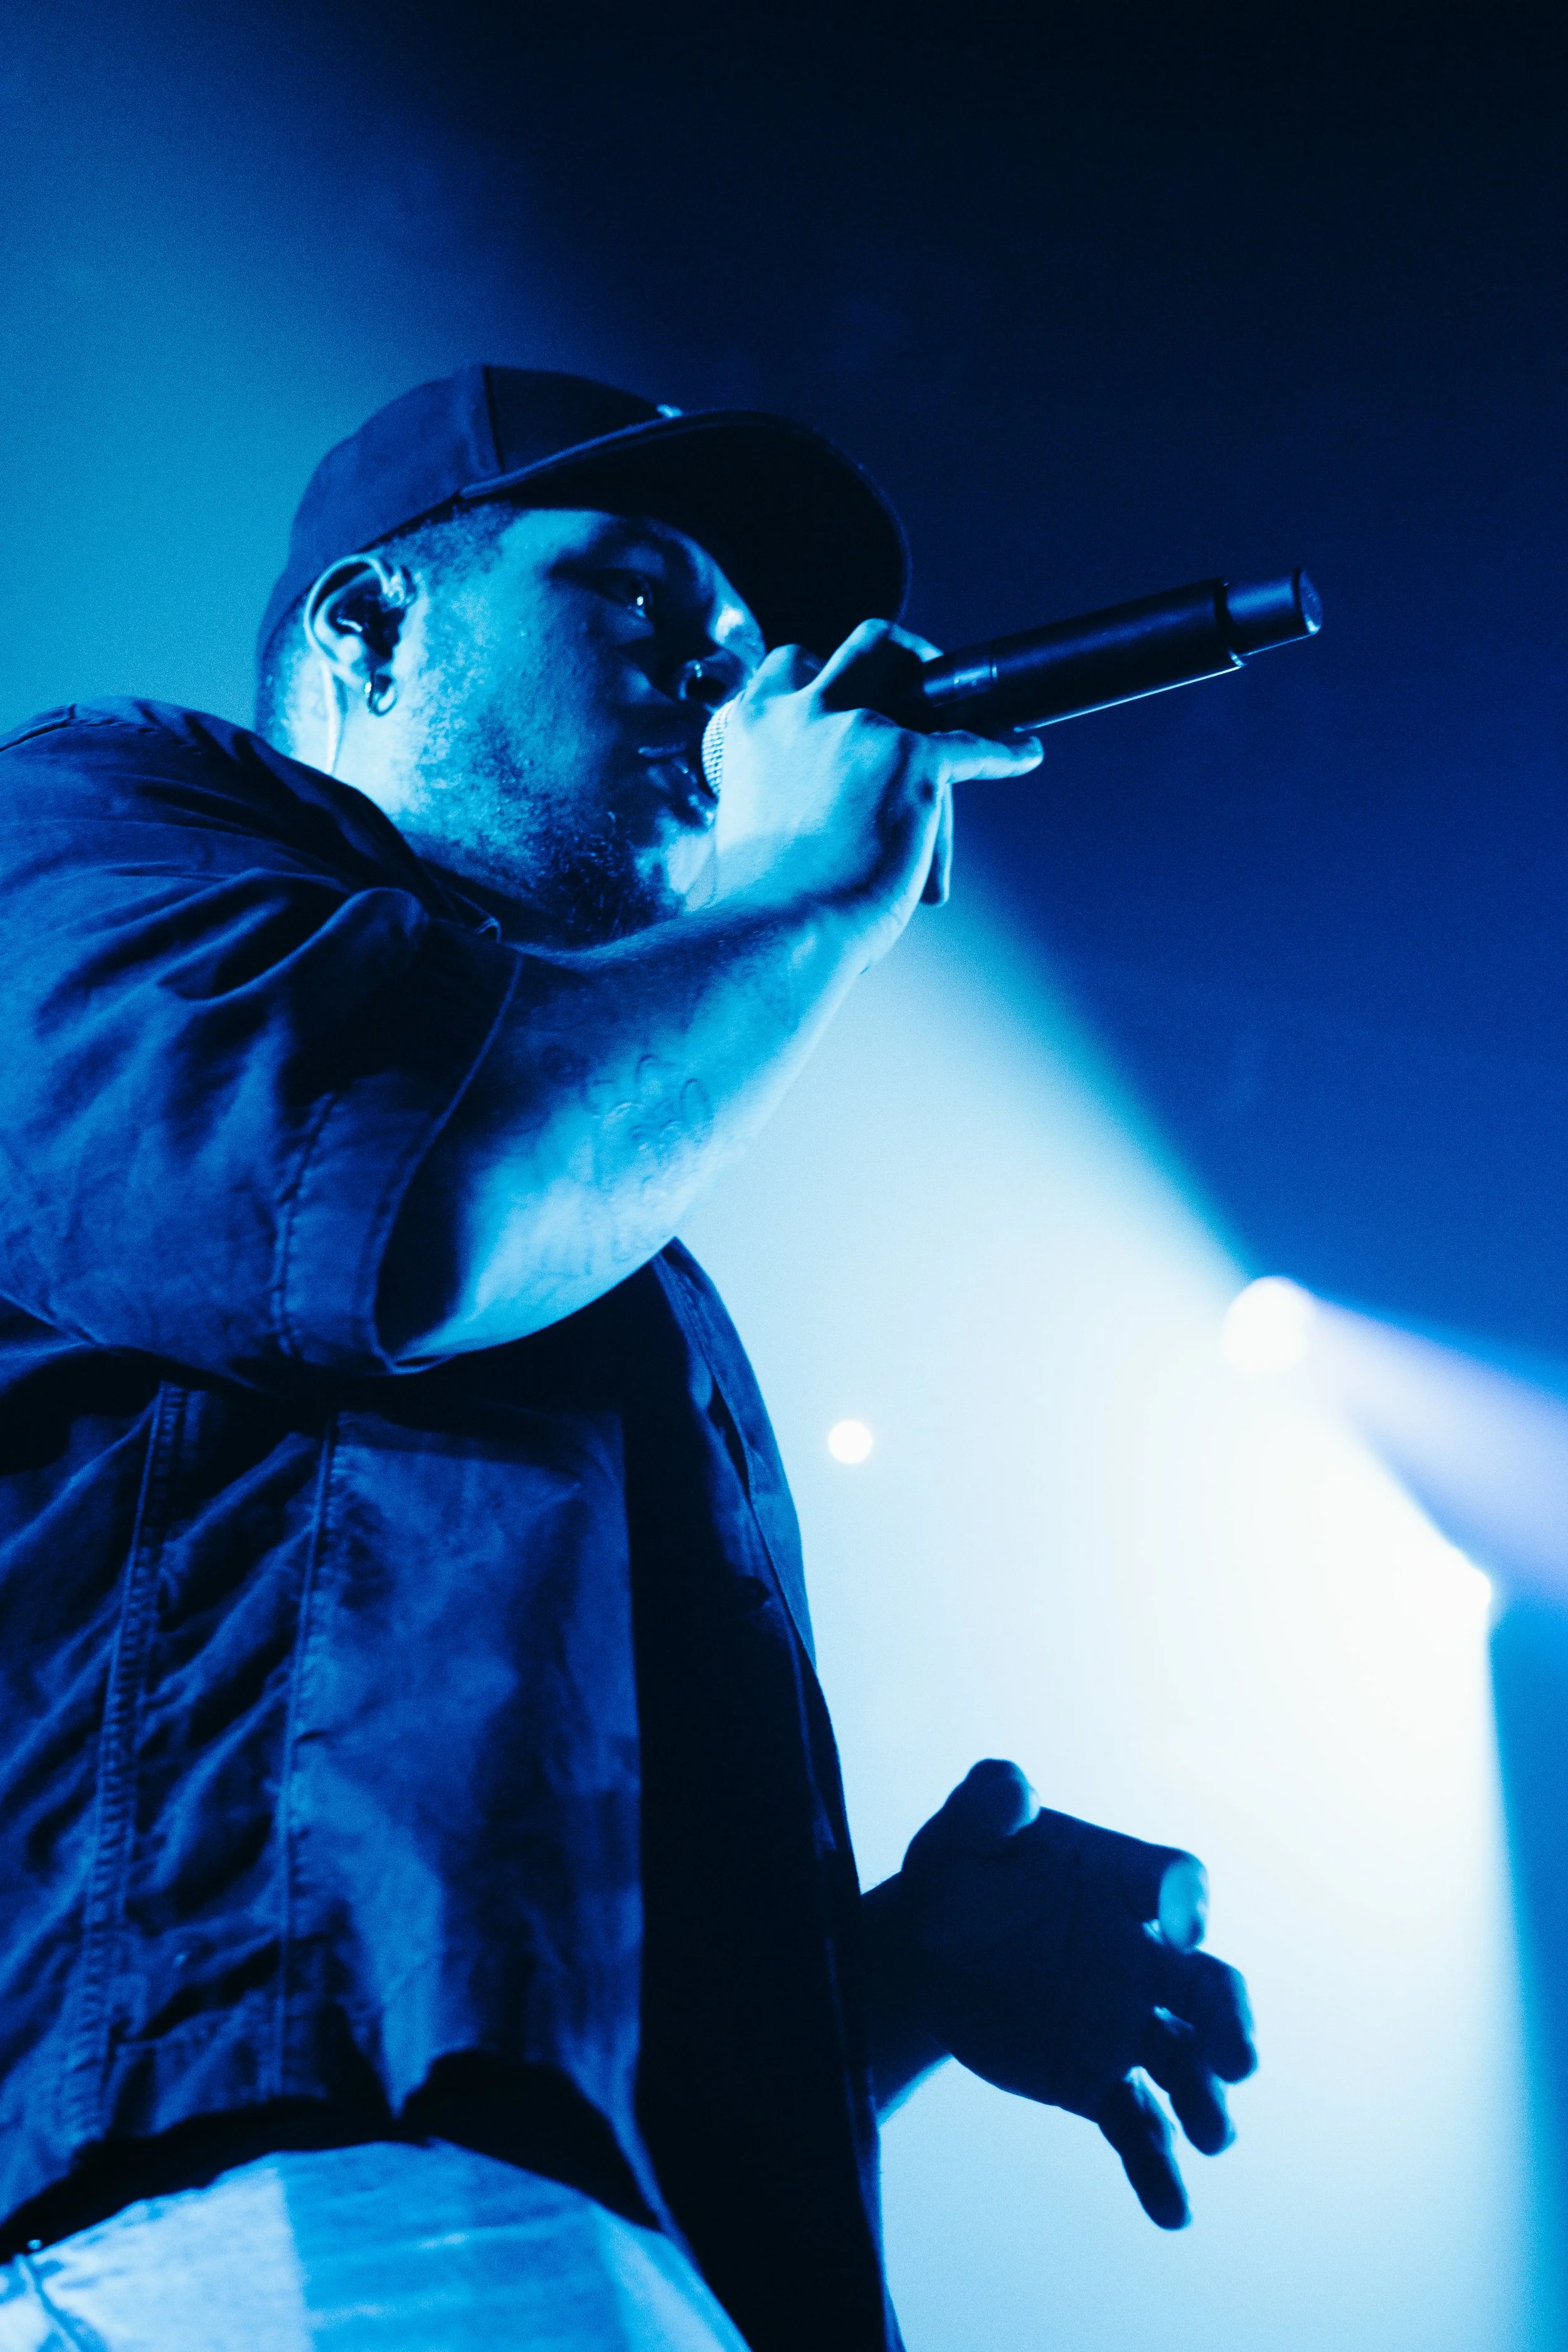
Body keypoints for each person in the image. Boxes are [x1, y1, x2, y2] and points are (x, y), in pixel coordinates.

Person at [0, 367, 1255, 2351]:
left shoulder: (614, 1227)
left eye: (757, 648)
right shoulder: (100, 828)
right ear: (369, 627)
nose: (731, 676)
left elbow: (519, 2000)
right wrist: (806, 894)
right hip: (276, 2223)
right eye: (647, 599)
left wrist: (903, 1979)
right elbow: (371, 1213)